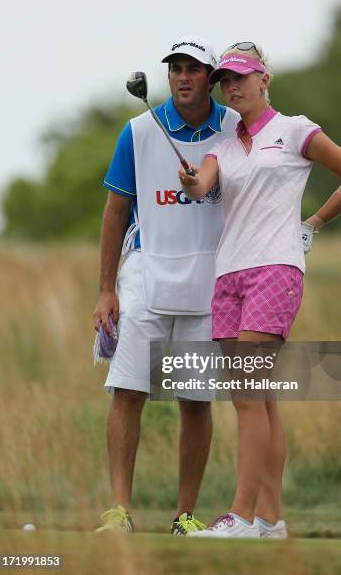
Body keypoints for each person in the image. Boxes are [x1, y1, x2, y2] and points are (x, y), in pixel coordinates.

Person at [178, 42, 341, 539]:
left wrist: (313, 224)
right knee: (260, 399)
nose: (233, 87)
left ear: (265, 79)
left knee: (245, 394)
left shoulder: (294, 130)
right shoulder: (221, 147)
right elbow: (201, 186)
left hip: (275, 269)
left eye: (242, 77)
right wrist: (191, 180)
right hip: (229, 275)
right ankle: (269, 518)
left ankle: (240, 515)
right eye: (226, 81)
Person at [93, 35, 240, 535]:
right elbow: (116, 211)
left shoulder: (235, 128)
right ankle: (118, 511)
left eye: (192, 69)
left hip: (211, 282)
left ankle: (185, 514)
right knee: (128, 392)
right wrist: (106, 289)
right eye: (174, 68)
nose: (181, 76)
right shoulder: (138, 129)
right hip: (146, 274)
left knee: (195, 400)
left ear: (210, 78)